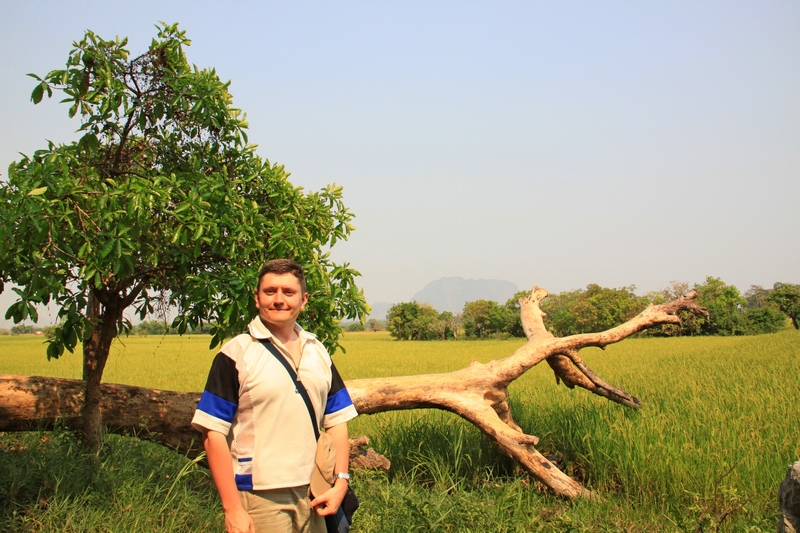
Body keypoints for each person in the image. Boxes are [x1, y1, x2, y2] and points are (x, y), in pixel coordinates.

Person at [192, 259, 357, 533]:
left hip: (316, 490)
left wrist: (341, 481)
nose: (279, 300)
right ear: (257, 299)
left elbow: (337, 420)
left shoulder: (317, 350)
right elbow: (212, 433)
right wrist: (232, 508)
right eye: (270, 292)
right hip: (259, 496)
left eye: (288, 292)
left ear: (303, 300)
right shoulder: (236, 354)